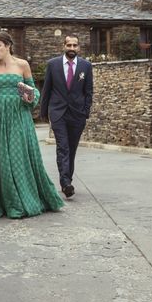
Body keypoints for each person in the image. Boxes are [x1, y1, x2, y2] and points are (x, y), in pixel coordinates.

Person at [0, 31, 64, 222]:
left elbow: (34, 92)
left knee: (18, 154)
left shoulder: (22, 65)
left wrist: (29, 96)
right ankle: (1, 202)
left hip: (19, 115)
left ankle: (25, 198)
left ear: (8, 46)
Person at [40, 35, 93, 198]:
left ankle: (67, 180)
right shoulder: (53, 64)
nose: (71, 48)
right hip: (58, 113)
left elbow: (89, 91)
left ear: (78, 47)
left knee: (72, 148)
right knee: (63, 147)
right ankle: (65, 183)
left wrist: (85, 111)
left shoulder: (86, 66)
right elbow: (46, 89)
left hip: (77, 115)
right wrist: (44, 112)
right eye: (68, 45)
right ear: (63, 46)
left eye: (74, 45)